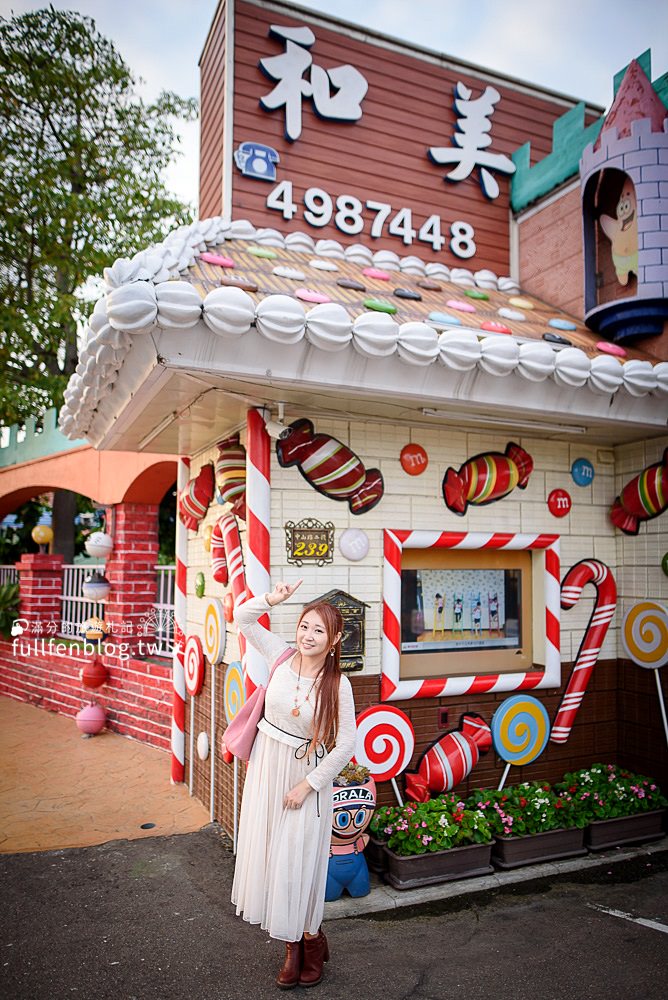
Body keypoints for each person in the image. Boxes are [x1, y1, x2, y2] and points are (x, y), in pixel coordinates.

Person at [231, 579, 357, 989]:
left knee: (298, 861)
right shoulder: (280, 654)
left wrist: (309, 785)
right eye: (304, 625)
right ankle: (292, 946)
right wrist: (271, 599)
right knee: (272, 855)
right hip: (269, 767)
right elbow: (243, 617)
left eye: (319, 630)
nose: (308, 635)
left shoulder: (339, 684)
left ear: (335, 639)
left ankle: (311, 939)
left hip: (306, 777)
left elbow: (346, 744)